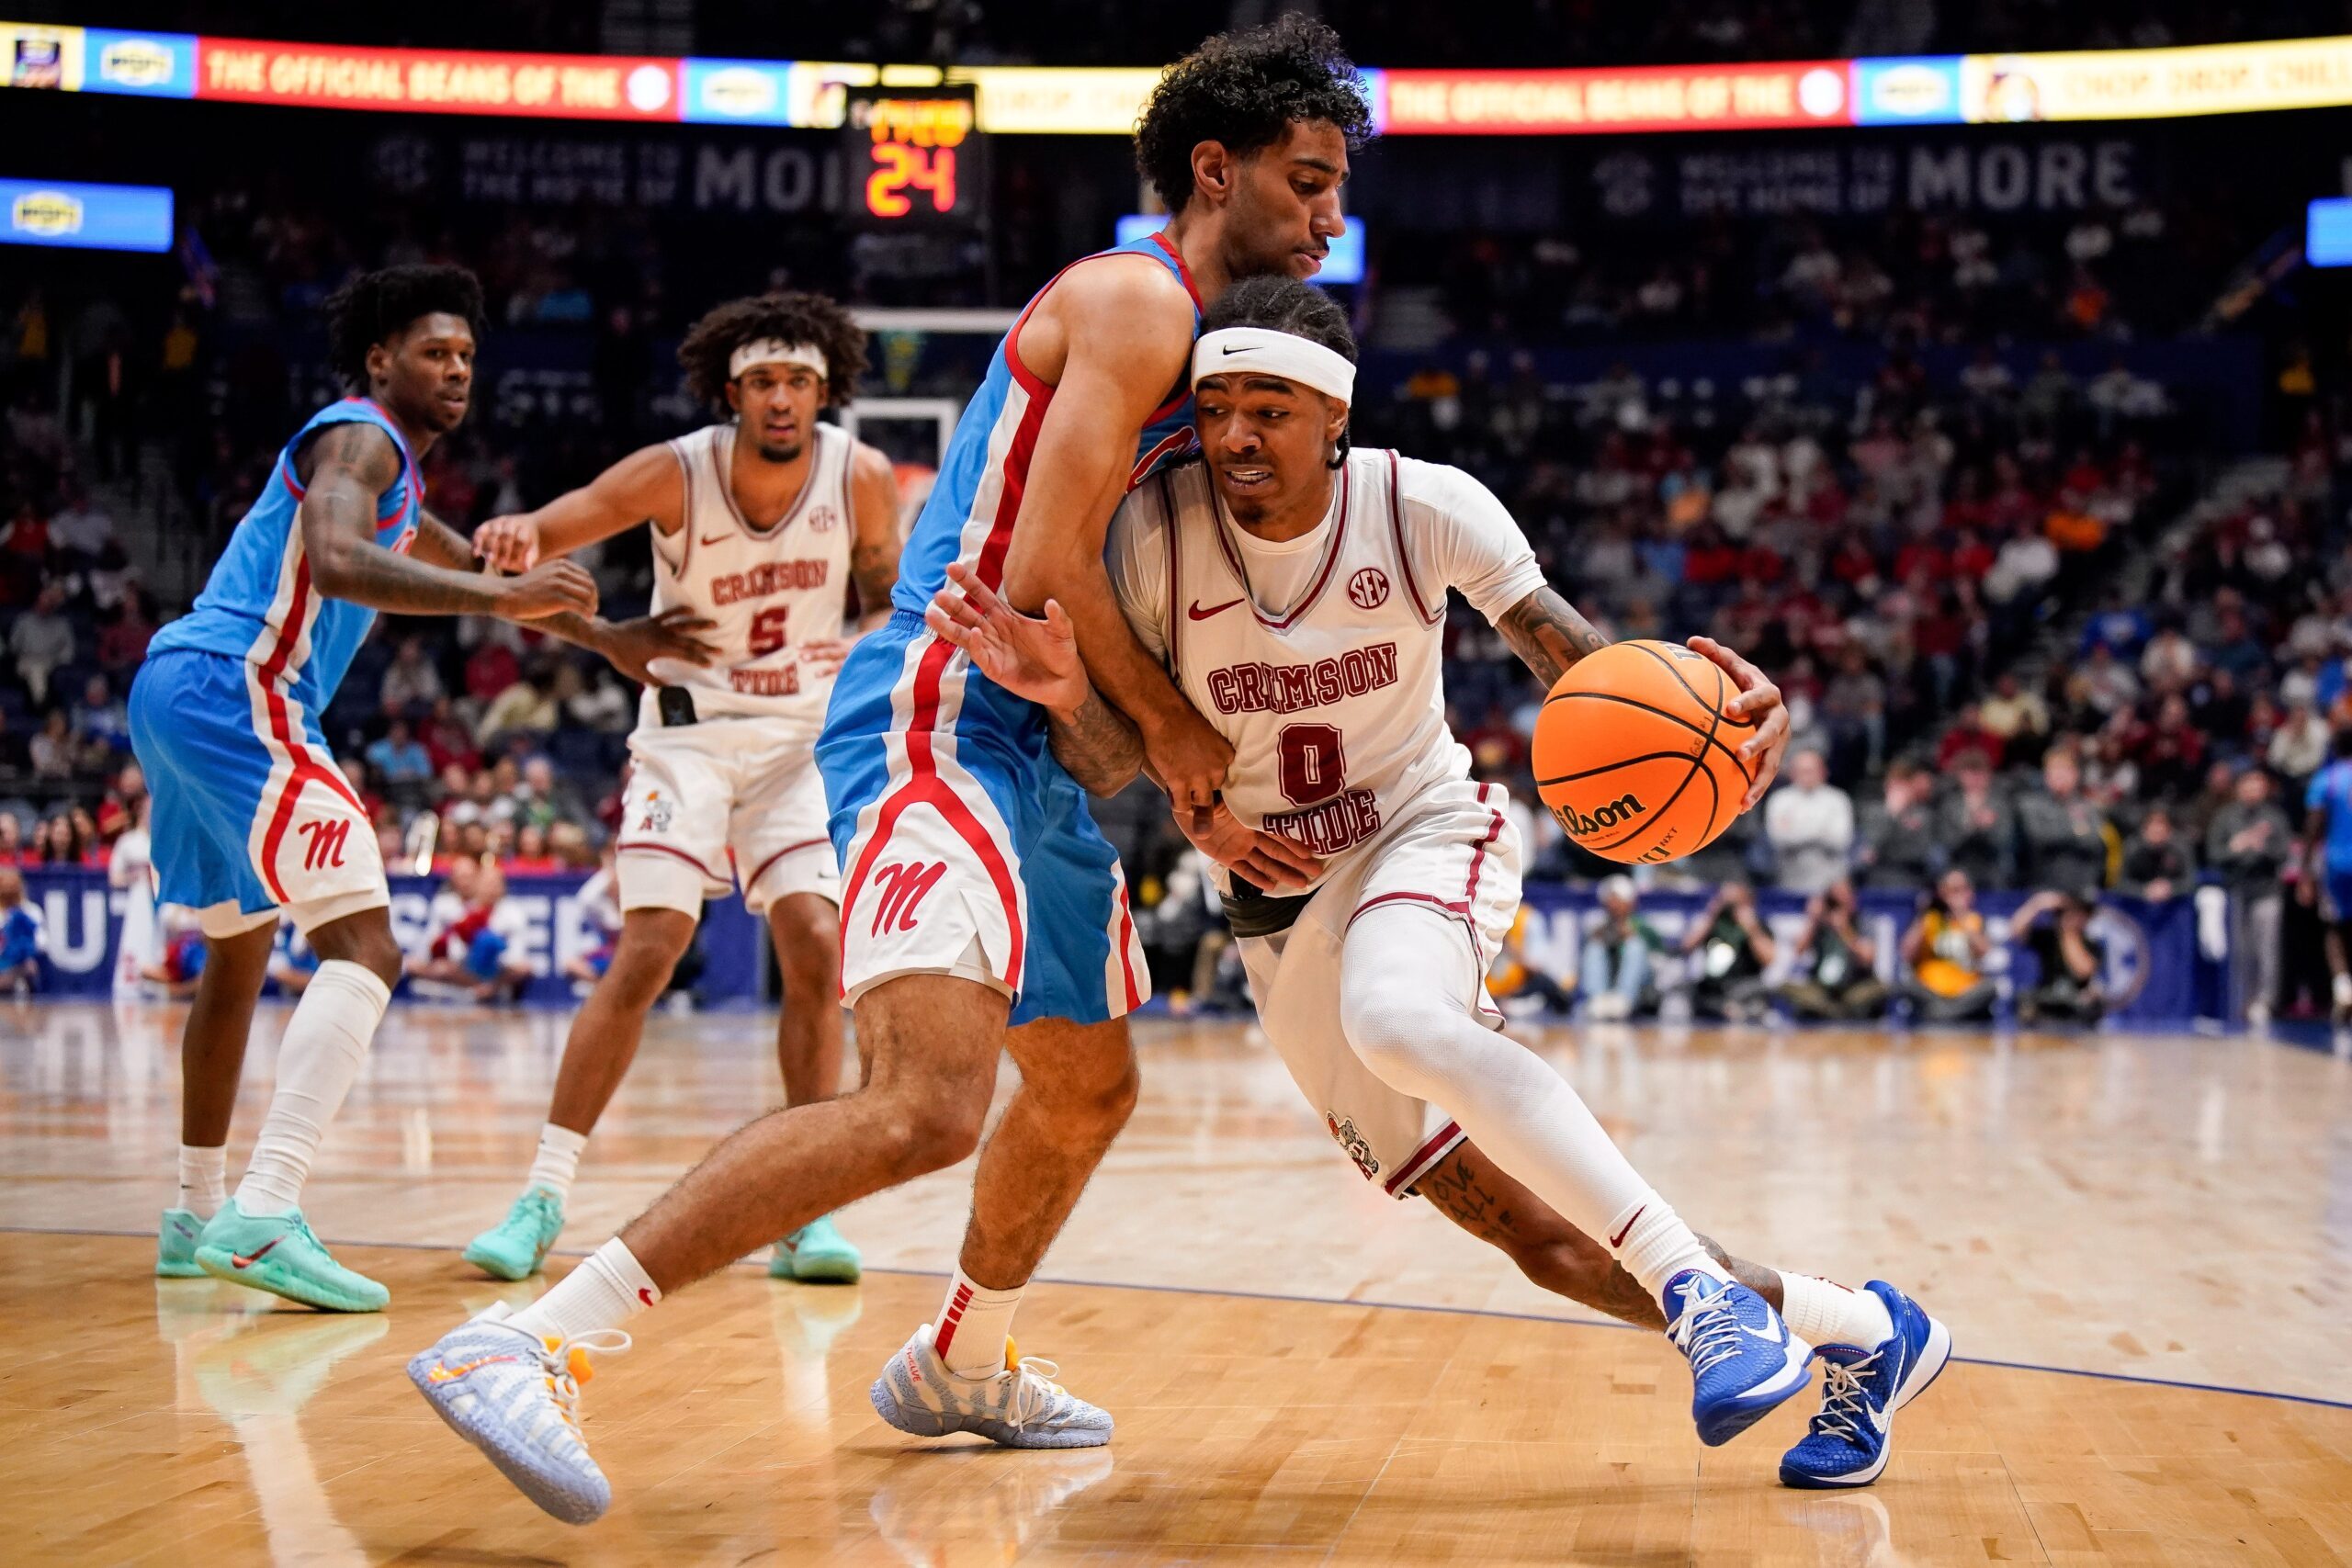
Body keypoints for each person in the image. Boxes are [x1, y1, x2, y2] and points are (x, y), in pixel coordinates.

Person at [410, 19, 1380, 1520]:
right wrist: (1183, 742)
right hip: (939, 706)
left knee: (1082, 1086)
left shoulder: (1225, 378)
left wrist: (1164, 758)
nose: (1330, 218)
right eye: (1309, 182)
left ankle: (960, 1356)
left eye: (1337, 189)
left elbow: (1108, 618)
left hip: (1041, 749)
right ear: (1215, 169)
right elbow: (1047, 562)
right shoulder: (1136, 300)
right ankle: (530, 1340)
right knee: (929, 1098)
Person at [922, 277, 1941, 1491]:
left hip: (1419, 830)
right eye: (1219, 406)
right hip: (1276, 914)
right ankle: (1869, 1332)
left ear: (1334, 418)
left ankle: (1695, 1287)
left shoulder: (1426, 506)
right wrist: (1067, 697)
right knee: (1547, 1239)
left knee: (1401, 1012)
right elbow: (1113, 760)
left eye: (1271, 408)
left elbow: (1583, 666)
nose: (1238, 433)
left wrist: (1723, 721)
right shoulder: (1151, 535)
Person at [130, 265, 693, 1310]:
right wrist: (497, 590)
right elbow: (341, 562)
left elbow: (448, 565)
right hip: (238, 686)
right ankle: (264, 1212)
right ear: (380, 359)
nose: (455, 370)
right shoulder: (359, 438)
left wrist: (607, 637)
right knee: (367, 945)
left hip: (178, 688)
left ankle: (195, 1211)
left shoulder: (398, 481)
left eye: (467, 356)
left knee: (238, 952)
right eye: (434, 352)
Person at [463, 291, 899, 1286]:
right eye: (761, 383)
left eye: (796, 381)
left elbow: (885, 601)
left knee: (816, 942)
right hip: (689, 739)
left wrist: (868, 664)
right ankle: (541, 1194)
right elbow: (558, 524)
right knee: (651, 946)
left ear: (823, 388)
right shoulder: (678, 469)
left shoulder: (861, 476)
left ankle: (803, 1210)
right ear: (731, 391)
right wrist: (517, 534)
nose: (780, 399)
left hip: (797, 743)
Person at [2206, 768, 2290, 1025]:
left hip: (2267, 890)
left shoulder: (2274, 817)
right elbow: (2214, 853)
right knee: (2241, 950)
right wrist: (2237, 847)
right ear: (2239, 788)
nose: (2252, 790)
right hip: (2237, 890)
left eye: (2257, 785)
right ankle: (2243, 998)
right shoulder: (2226, 817)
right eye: (2247, 784)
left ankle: (2265, 1001)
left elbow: (2283, 853)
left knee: (2267, 949)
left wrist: (2260, 848)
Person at [2297, 728, 2352, 1025]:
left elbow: (2313, 827)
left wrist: (2305, 870)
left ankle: (2343, 985)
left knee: (2334, 927)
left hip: (2338, 864)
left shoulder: (2326, 779)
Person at [1778, 878, 1889, 1021]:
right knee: (1786, 987)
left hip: (1854, 986)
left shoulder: (1863, 921)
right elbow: (1798, 951)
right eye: (1833, 902)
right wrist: (1812, 920)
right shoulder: (1821, 924)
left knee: (1879, 988)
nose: (1837, 908)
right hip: (1822, 988)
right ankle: (1830, 1010)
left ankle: (1834, 1010)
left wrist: (1845, 930)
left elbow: (1868, 957)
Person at [1899, 869, 1996, 1023]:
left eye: (1961, 890)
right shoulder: (1929, 919)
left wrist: (1962, 917)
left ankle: (1940, 1015)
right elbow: (1906, 953)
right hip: (1931, 990)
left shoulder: (1974, 920)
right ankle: (1949, 1015)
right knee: (1905, 985)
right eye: (1951, 891)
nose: (1956, 896)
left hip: (1965, 992)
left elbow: (1985, 952)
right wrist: (1923, 914)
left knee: (1991, 988)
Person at [1679, 879, 1777, 1022]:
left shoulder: (1758, 925)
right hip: (1713, 986)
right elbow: (1687, 946)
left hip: (1744, 983)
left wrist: (1751, 929)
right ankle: (1730, 1009)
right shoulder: (1714, 922)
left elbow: (1769, 959)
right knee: (1688, 992)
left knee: (1758, 992)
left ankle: (1740, 1010)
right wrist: (1711, 914)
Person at [1763, 749, 1854, 893]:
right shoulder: (1779, 800)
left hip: (1830, 880)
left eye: (1811, 770)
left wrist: (1796, 829)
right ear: (1792, 773)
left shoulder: (1838, 799)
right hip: (1789, 877)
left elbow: (1840, 840)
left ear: (1823, 772)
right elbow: (1778, 838)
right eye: (1802, 771)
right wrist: (1819, 830)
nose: (1807, 776)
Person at [2011, 890, 2106, 1026]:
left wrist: (2070, 934)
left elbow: (2083, 971)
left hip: (2075, 1002)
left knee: (2092, 1004)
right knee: (2025, 1000)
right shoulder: (2049, 937)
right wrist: (2037, 904)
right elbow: (2016, 931)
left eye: (2078, 913)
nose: (2072, 917)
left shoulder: (2092, 942)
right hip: (2048, 997)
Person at [1579, 874, 1665, 1021]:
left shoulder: (1642, 926)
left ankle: (1624, 1001)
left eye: (1618, 900)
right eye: (1610, 900)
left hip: (1641, 986)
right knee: (1595, 947)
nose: (1614, 905)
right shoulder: (1597, 927)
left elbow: (1659, 962)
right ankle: (1598, 999)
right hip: (1608, 981)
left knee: (1635, 946)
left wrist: (1630, 936)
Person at [1853, 759, 1937, 892]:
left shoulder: (1923, 815)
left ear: (1911, 787)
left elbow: (1920, 852)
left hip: (1910, 878)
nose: (1897, 792)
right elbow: (1871, 847)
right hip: (1876, 879)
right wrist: (1891, 815)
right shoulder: (1873, 812)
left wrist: (1884, 854)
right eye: (1893, 786)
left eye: (1902, 786)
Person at [2115, 807, 2194, 902]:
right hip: (2138, 902)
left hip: (2173, 902)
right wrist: (2144, 890)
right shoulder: (2131, 847)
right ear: (2144, 830)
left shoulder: (2181, 847)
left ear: (2169, 831)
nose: (2157, 831)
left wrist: (2171, 889)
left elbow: (2190, 881)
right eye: (2153, 827)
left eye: (2162, 827)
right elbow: (2120, 882)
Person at [0, 864, 42, 993]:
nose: (8, 890)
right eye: (4, 885)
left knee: (29, 967)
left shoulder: (31, 911)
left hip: (20, 966)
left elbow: (42, 941)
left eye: (12, 885)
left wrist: (21, 949)